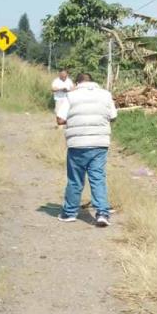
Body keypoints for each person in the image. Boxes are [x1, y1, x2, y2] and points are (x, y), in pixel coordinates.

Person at [56, 73, 117, 227]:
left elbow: (60, 119)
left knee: (75, 179)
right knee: (98, 178)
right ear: (92, 81)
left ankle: (69, 213)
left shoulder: (71, 96)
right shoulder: (105, 94)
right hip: (99, 143)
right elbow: (113, 116)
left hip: (77, 144)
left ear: (77, 83)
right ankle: (102, 213)